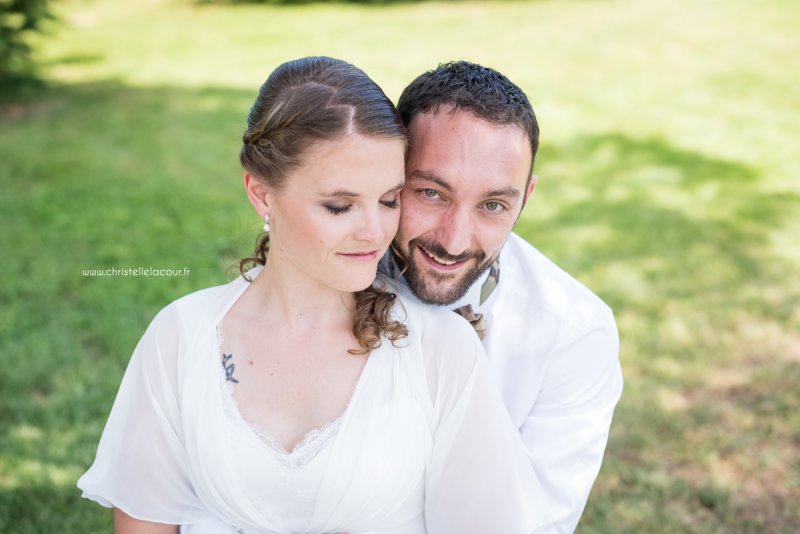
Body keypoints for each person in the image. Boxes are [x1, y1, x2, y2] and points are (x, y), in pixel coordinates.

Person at [77, 57, 550, 534]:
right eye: (340, 206)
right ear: (262, 194)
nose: (374, 232)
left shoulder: (440, 350)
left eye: (389, 200)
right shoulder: (181, 338)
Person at [383, 61, 624, 534]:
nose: (454, 241)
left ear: (525, 199)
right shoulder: (320, 277)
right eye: (431, 193)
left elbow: (537, 525)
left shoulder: (575, 334)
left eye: (493, 205)